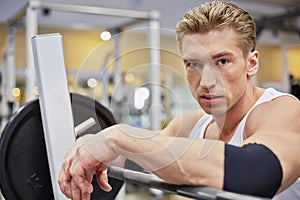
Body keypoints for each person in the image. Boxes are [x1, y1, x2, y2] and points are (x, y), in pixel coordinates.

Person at [58, 1, 300, 200]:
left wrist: (117, 137)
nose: (206, 81)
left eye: (222, 61)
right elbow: (132, 159)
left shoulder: (282, 110)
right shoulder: (190, 125)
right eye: (193, 64)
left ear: (251, 63)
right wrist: (89, 145)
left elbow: (256, 174)